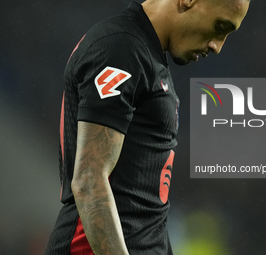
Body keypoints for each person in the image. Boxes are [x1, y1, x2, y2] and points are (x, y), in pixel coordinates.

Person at [45, 0, 250, 254]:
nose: (218, 46)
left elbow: (146, 208)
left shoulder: (145, 55)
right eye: (220, 26)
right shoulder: (121, 48)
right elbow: (89, 180)